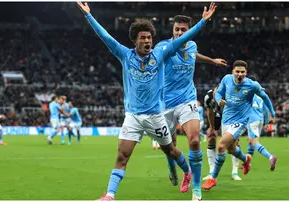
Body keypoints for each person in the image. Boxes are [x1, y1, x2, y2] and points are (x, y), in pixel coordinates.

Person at [77, 2, 217, 200]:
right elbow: (105, 37)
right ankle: (110, 195)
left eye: (149, 37)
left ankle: (186, 171)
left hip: (155, 117)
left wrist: (203, 21)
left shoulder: (160, 54)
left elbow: (184, 38)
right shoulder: (125, 55)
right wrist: (88, 16)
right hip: (133, 117)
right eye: (143, 38)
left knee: (170, 150)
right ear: (135, 40)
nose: (147, 41)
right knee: (122, 156)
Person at [155, 14, 226, 196]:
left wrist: (212, 61)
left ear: (189, 31)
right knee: (168, 146)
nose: (179, 32)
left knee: (194, 141)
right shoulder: (164, 47)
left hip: (187, 99)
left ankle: (196, 189)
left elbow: (194, 55)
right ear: (172, 30)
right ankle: (173, 169)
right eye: (176, 29)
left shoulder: (192, 46)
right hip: (165, 104)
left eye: (183, 30)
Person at [202, 60, 276, 190]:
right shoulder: (226, 79)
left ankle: (213, 178)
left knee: (221, 147)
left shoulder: (252, 85)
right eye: (237, 72)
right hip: (226, 120)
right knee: (231, 150)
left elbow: (265, 97)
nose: (240, 74)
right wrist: (219, 100)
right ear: (233, 72)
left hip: (240, 122)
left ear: (246, 73)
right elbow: (218, 93)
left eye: (242, 72)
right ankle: (246, 159)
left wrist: (272, 113)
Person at [202, 84, 242, 181]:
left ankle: (235, 171)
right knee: (211, 138)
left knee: (233, 142)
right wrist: (211, 127)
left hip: (230, 117)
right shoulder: (208, 97)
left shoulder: (233, 95)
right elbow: (210, 112)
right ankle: (211, 171)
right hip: (216, 115)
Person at [246, 75, 277, 170]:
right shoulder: (260, 95)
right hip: (260, 120)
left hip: (252, 120)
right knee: (250, 142)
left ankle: (270, 157)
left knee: (254, 142)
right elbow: (266, 109)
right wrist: (266, 123)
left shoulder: (248, 93)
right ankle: (247, 163)